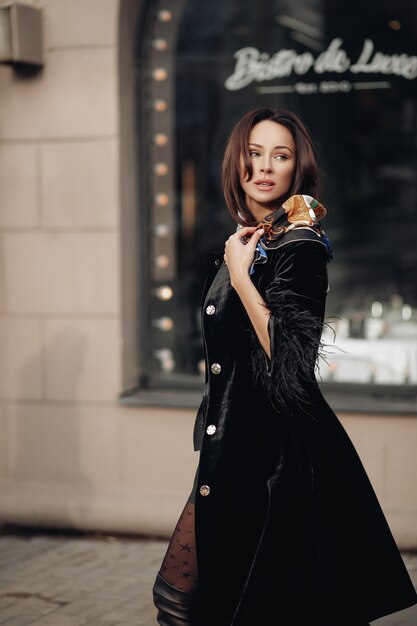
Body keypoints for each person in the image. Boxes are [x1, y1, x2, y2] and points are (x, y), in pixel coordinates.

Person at [152, 108, 417, 626]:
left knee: (203, 604)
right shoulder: (253, 239)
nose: (266, 167)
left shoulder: (299, 244)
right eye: (254, 154)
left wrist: (240, 276)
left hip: (278, 459)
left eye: (281, 155)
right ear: (237, 163)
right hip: (234, 449)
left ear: (297, 169)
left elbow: (291, 362)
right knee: (185, 600)